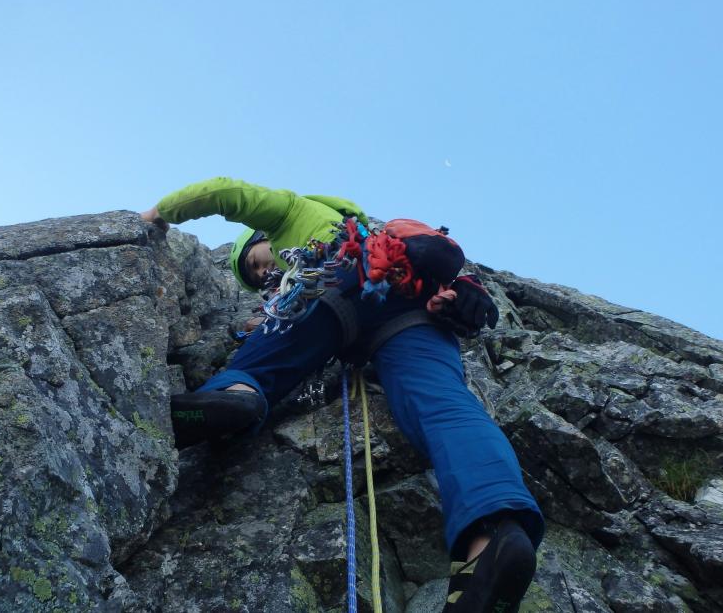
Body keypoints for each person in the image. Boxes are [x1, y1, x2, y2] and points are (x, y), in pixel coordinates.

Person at [141, 177, 544, 612]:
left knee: (267, 360)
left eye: (255, 262)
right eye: (255, 277)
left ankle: (237, 395)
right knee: (446, 407)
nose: (261, 274)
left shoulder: (292, 212)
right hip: (410, 307)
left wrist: (157, 214)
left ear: (261, 238)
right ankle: (493, 539)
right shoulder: (383, 240)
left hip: (333, 279)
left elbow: (225, 192)